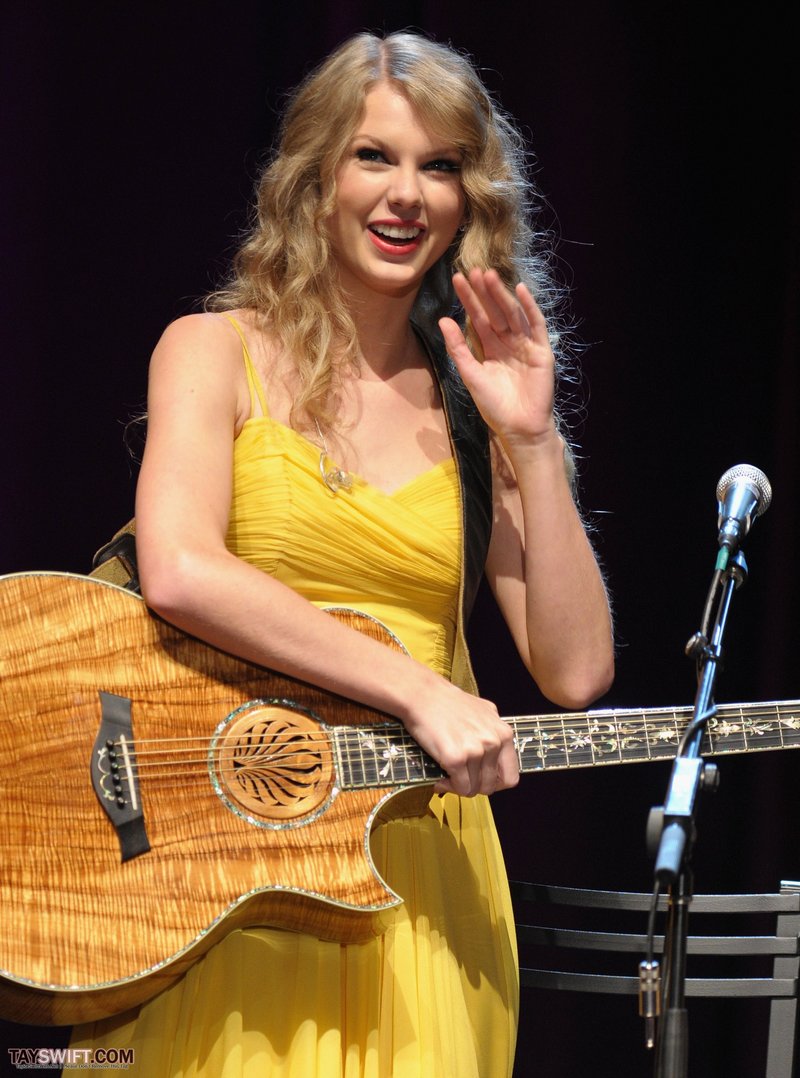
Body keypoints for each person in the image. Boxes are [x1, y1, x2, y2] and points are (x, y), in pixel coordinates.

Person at [68, 29, 613, 1078]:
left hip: (415, 874)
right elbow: (178, 567)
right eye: (374, 156)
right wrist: (415, 687)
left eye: (439, 165)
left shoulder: (475, 409)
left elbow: (576, 670)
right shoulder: (212, 350)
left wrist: (533, 441)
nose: (406, 193)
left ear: (469, 200)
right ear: (314, 178)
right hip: (222, 858)